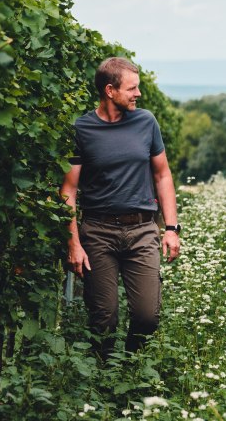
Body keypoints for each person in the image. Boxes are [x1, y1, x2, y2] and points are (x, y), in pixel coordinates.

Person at [60, 57, 181, 359]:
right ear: (110, 90)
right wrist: (73, 243)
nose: (138, 94)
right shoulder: (81, 129)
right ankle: (104, 376)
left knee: (147, 317)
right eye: (132, 89)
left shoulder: (146, 122)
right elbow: (68, 190)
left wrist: (171, 228)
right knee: (104, 318)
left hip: (142, 230)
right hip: (98, 232)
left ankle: (129, 366)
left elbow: (163, 175)